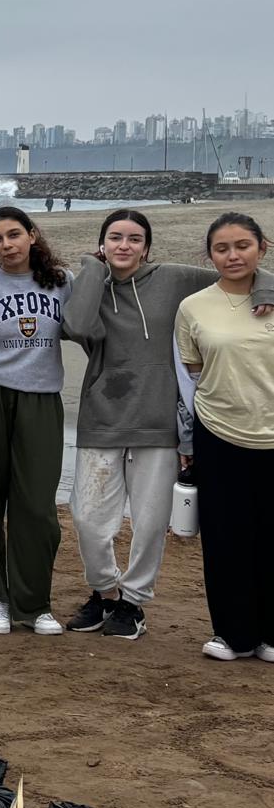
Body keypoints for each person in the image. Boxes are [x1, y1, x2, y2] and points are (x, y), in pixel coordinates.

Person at [64, 208, 274, 640]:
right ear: (103, 243)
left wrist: (267, 287)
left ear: (147, 247)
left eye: (135, 239)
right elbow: (77, 325)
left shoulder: (174, 279)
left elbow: (236, 271)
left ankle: (133, 603)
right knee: (87, 517)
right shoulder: (89, 284)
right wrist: (91, 267)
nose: (125, 245)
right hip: (101, 416)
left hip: (159, 419)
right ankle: (104, 591)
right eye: (115, 238)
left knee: (149, 521)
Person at [0, 206, 73, 638]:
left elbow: (91, 322)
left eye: (13, 235)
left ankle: (35, 603)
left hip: (42, 398)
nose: (6, 245)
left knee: (37, 505)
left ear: (32, 234)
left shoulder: (61, 282)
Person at [175, 213, 274, 661]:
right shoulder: (194, 307)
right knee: (225, 538)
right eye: (222, 248)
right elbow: (193, 371)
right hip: (218, 432)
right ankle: (232, 634)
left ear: (262, 248)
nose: (233, 255)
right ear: (210, 255)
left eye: (242, 245)